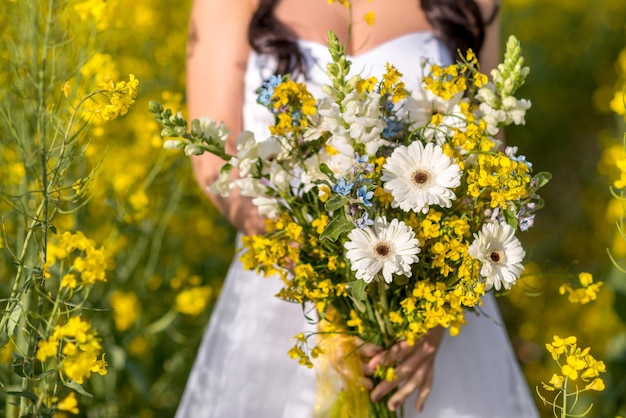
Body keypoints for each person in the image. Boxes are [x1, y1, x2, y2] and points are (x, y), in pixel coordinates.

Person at [176, 0, 540, 417]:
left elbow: (486, 162)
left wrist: (437, 315)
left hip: (430, 309)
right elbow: (214, 162)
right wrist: (329, 285)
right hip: (285, 290)